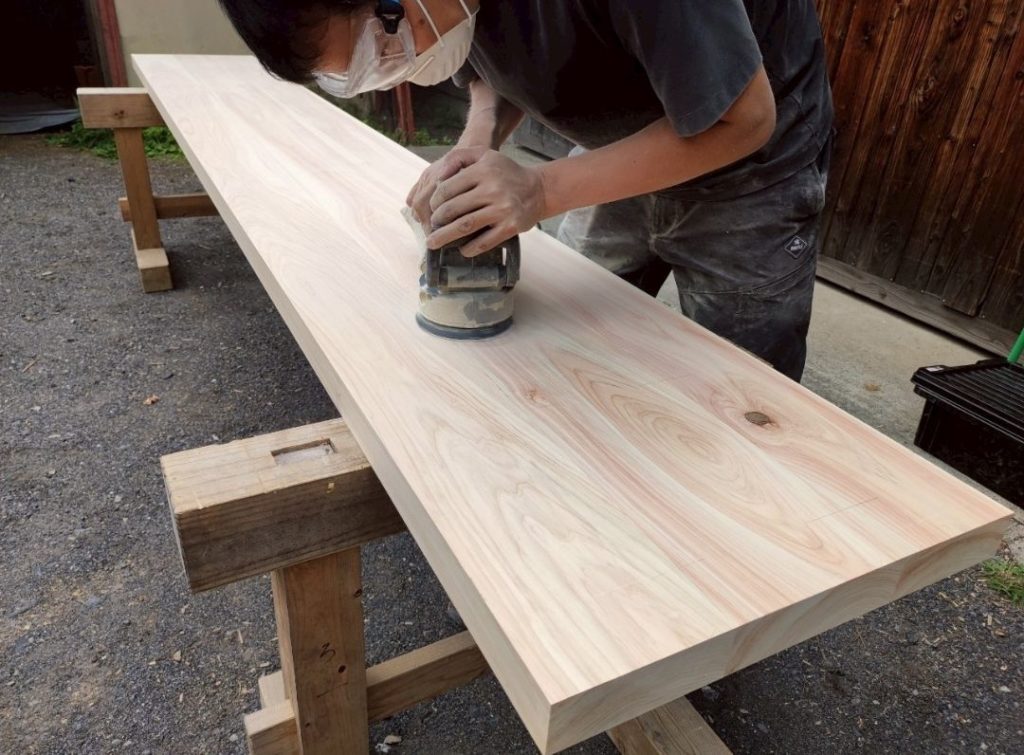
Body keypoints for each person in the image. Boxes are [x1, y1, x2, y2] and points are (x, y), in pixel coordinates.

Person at [219, 0, 833, 381]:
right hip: (619, 138)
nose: (400, 62)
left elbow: (743, 119)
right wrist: (479, 137)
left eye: (386, 44)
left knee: (744, 394)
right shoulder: (436, 9)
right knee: (570, 350)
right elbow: (488, 46)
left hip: (751, 161)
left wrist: (541, 191)